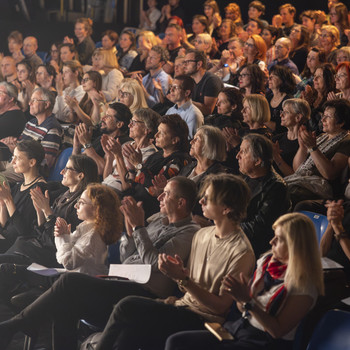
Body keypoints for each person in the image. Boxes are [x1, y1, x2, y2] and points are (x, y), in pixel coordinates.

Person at [0, 176, 200, 350]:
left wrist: (139, 227)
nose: (159, 197)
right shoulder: (157, 220)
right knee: (65, 302)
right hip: (121, 278)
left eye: (166, 194)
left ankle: (16, 325)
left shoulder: (188, 232)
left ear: (181, 203)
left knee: (69, 282)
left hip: (145, 291)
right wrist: (130, 233)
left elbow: (154, 264)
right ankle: (23, 325)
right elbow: (127, 255)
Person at [92, 173, 255, 350]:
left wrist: (183, 279)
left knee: (127, 306)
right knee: (129, 329)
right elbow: (186, 283)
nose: (200, 202)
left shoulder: (241, 252)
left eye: (208, 199)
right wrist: (181, 278)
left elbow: (220, 308)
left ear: (226, 208)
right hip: (181, 306)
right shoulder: (202, 234)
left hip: (203, 319)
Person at [165, 212, 324, 350]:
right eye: (273, 236)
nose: (271, 242)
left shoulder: (304, 286)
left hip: (262, 343)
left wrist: (247, 300)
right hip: (238, 328)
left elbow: (277, 330)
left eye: (279, 239)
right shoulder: (267, 263)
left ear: (295, 246)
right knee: (176, 342)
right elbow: (242, 309)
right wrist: (240, 296)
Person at [118, 114, 191, 219]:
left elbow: (154, 190)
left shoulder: (178, 161)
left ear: (174, 140)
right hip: (133, 198)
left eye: (161, 133)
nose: (156, 135)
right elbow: (136, 181)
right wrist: (131, 169)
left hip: (147, 209)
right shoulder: (157, 154)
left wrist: (138, 165)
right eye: (157, 131)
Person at [285, 98, 350, 205]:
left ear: (341, 122)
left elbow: (329, 173)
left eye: (328, 117)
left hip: (321, 189)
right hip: (304, 182)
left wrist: (313, 148)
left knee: (283, 194)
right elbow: (297, 169)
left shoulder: (347, 141)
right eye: (323, 116)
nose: (322, 120)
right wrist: (302, 148)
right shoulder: (322, 137)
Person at [237, 134, 290, 256]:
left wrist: (226, 228)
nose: (237, 156)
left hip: (256, 246)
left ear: (258, 161)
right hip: (237, 237)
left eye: (243, 152)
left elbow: (260, 228)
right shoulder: (244, 178)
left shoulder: (276, 187)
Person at [54, 183, 123, 275]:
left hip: (87, 284)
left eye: (81, 202)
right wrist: (65, 235)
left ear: (96, 209)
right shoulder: (85, 227)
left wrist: (63, 236)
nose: (76, 206)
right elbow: (71, 250)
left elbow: (68, 262)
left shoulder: (92, 235)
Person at [0, 140, 47, 253]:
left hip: (17, 246)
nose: (12, 162)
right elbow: (5, 226)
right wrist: (3, 206)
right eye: (13, 157)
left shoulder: (39, 189)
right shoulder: (19, 185)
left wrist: (9, 200)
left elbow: (24, 231)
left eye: (18, 158)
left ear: (32, 162)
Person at [102, 108, 159, 191]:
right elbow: (106, 178)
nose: (129, 125)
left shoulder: (151, 155)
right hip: (105, 186)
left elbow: (127, 186)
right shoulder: (127, 145)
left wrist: (118, 155)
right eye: (130, 122)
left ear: (147, 129)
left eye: (134, 123)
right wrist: (110, 156)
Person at [73, 102, 132, 175]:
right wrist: (77, 147)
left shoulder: (121, 144)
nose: (103, 118)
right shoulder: (101, 137)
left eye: (108, 116)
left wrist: (87, 144)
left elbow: (102, 170)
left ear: (119, 124)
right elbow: (75, 163)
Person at [272, 98, 310, 176]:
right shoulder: (276, 139)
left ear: (298, 117)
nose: (281, 115)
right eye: (282, 112)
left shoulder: (307, 142)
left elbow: (297, 176)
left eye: (286, 112)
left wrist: (277, 158)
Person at [183, 49, 223, 116]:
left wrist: (185, 101)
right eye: (184, 62)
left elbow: (208, 110)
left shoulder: (211, 81)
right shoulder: (190, 80)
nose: (184, 65)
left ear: (199, 64)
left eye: (188, 62)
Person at [302, 63, 336, 135]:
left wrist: (308, 106)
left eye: (319, 76)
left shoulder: (331, 99)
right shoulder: (312, 96)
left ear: (328, 80)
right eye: (314, 76)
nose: (315, 79)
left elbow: (318, 129)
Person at [266, 65, 296, 134]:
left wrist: (262, 120)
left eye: (274, 75)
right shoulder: (268, 98)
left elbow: (282, 128)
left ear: (283, 79)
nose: (269, 78)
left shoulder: (289, 101)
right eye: (270, 75)